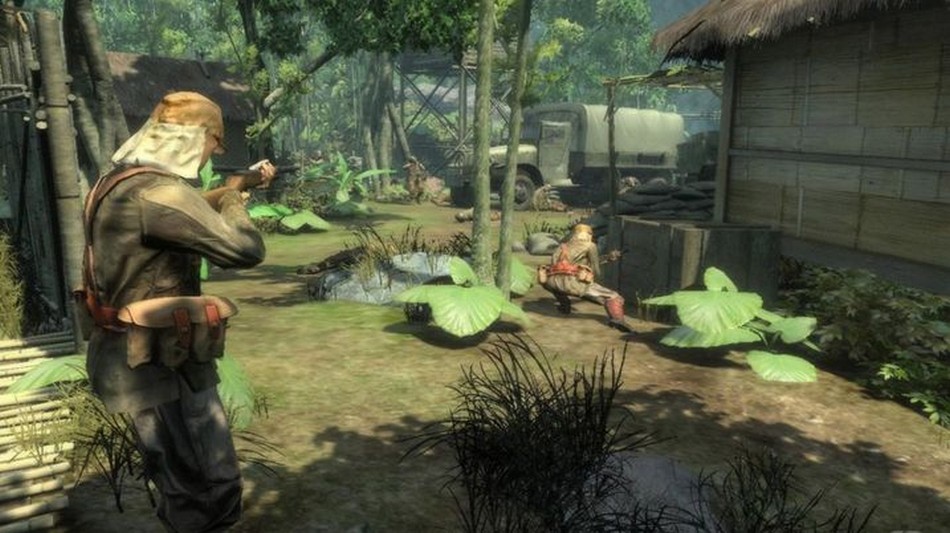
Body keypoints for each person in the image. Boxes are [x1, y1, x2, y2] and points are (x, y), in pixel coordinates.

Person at [78, 91, 276, 532]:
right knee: (207, 483)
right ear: (195, 137)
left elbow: (180, 211)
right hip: (163, 362)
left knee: (178, 478)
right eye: (215, 141)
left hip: (136, 356)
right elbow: (246, 250)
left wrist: (236, 185)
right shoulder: (160, 193)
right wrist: (233, 198)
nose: (214, 153)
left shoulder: (119, 183)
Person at [538, 223, 634, 333]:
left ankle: (565, 307)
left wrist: (608, 257)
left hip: (550, 282)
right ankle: (618, 320)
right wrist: (595, 283)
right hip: (573, 283)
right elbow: (594, 268)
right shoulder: (590, 246)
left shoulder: (562, 246)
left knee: (561, 287)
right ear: (587, 234)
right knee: (613, 296)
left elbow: (561, 265)